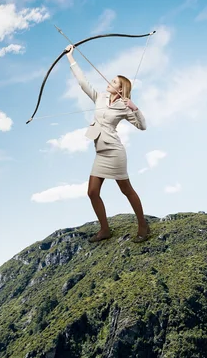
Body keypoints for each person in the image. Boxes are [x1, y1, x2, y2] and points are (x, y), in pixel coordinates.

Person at [65, 44, 151, 243]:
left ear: (121, 89)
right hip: (101, 153)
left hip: (115, 152)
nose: (109, 82)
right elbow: (83, 82)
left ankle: (143, 225)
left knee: (126, 190)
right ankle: (104, 230)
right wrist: (71, 58)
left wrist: (135, 108)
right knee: (92, 192)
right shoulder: (100, 98)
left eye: (113, 82)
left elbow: (142, 126)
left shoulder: (124, 106)